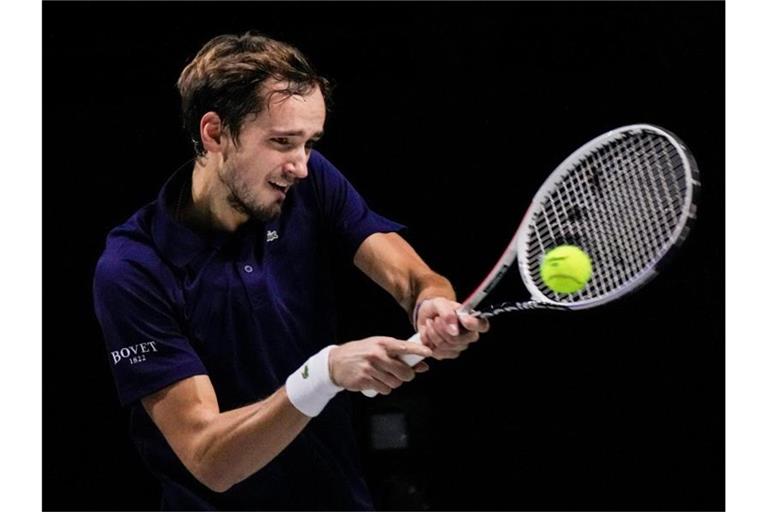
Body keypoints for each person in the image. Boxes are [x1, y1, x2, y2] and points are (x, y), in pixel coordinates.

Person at [93, 32, 489, 511]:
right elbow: (209, 459)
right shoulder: (134, 269)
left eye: (309, 143)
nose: (301, 166)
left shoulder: (311, 181)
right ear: (214, 133)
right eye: (282, 142)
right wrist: (323, 373)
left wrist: (433, 307)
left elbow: (412, 279)